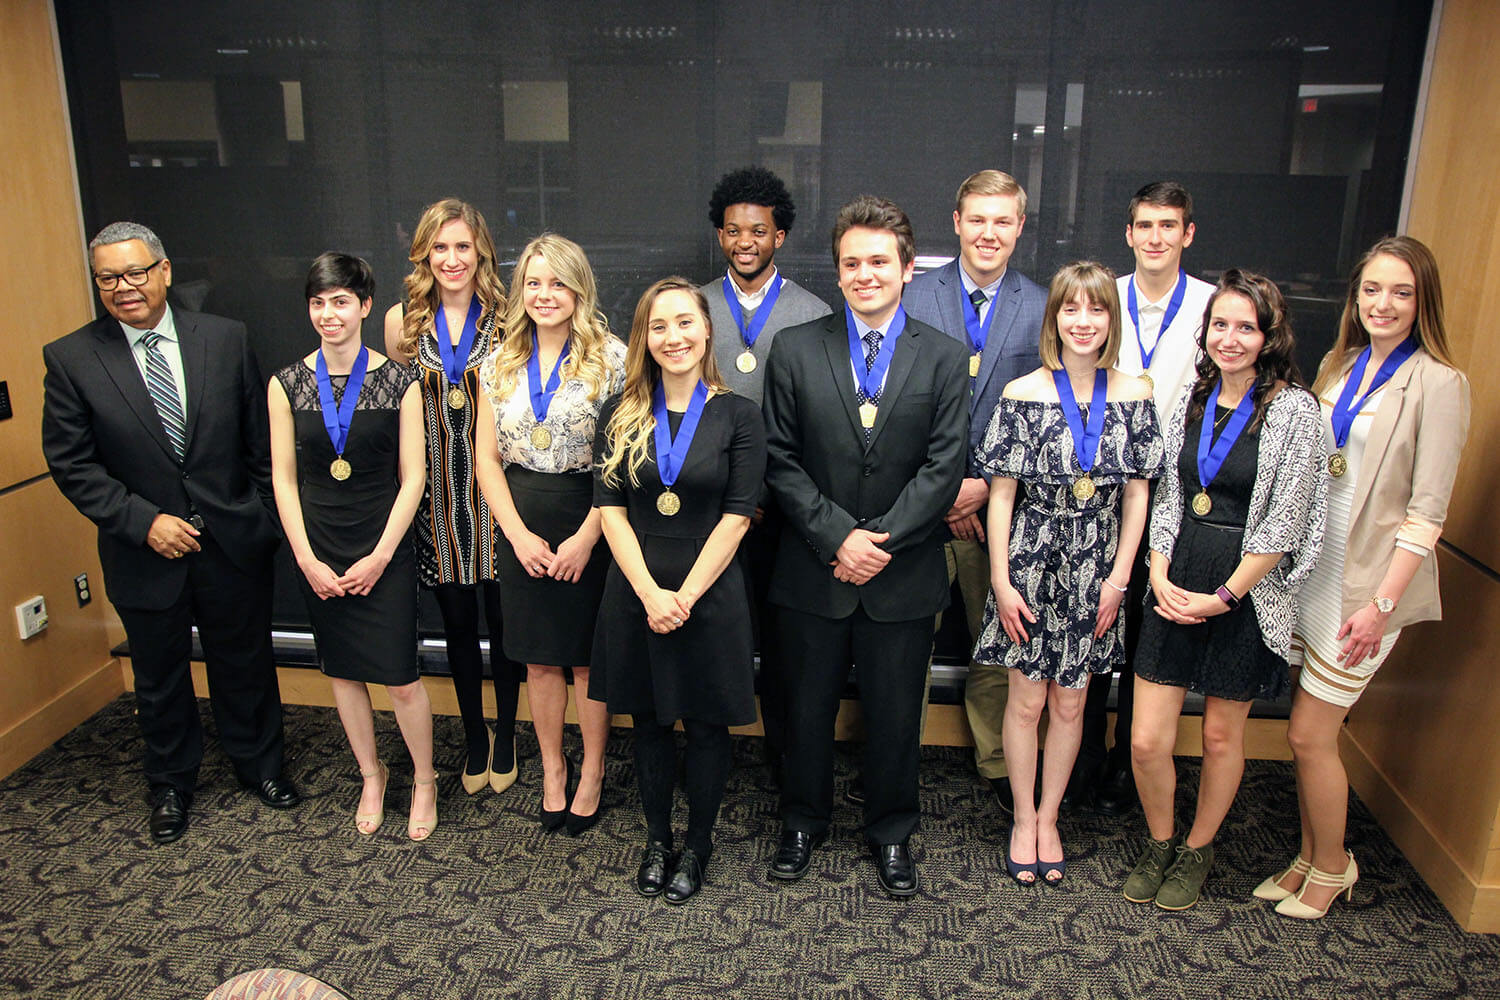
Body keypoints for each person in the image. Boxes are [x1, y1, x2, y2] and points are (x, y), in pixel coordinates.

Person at [42, 222, 300, 846]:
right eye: (108, 278)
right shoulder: (72, 358)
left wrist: (261, 519)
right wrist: (142, 522)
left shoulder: (226, 338)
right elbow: (72, 463)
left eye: (135, 273)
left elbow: (258, 445)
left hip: (232, 542)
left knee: (245, 662)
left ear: (163, 271)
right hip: (144, 551)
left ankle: (259, 765)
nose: (124, 288)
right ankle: (170, 783)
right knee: (158, 676)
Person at [762, 195, 969, 897]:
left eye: (879, 261)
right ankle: (801, 821)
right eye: (852, 263)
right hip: (814, 571)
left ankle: (890, 833)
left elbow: (944, 467)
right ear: (839, 270)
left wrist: (876, 541)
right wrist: (836, 537)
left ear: (908, 269)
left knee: (893, 717)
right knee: (805, 711)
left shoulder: (944, 358)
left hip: (901, 574)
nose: (865, 274)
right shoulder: (796, 348)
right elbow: (780, 458)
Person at [1257, 236, 1469, 919]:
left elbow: (1425, 514)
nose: (1383, 303)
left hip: (1370, 588)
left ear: (1421, 302)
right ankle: (1310, 852)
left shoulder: (1439, 383)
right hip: (1317, 574)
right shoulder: (1340, 363)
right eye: (1372, 289)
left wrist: (1381, 606)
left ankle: (1332, 865)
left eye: (1401, 292)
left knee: (1309, 735)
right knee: (1304, 728)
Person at [1124, 269, 1327, 910]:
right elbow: (1170, 494)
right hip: (1176, 575)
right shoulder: (1194, 392)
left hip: (1241, 589)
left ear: (1269, 336)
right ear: (1205, 331)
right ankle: (1161, 841)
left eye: (1246, 327)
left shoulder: (1294, 410)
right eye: (1220, 325)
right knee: (1146, 739)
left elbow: (1285, 518)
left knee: (1218, 737)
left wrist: (1225, 597)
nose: (1230, 338)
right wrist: (1157, 571)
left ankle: (1199, 847)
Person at [974, 262, 1160, 884]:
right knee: (1026, 701)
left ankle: (1052, 815)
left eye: (1097, 310)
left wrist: (1119, 579)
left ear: (1111, 319)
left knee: (1073, 702)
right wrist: (1001, 580)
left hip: (1100, 564)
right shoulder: (1023, 393)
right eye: (1071, 310)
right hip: (1031, 558)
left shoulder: (1135, 395)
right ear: (1053, 318)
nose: (1084, 322)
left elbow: (1138, 495)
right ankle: (1023, 817)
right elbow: (1001, 496)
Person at [591, 278, 766, 903]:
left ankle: (698, 844)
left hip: (709, 591)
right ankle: (657, 838)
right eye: (659, 326)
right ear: (644, 337)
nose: (674, 338)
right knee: (651, 722)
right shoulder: (620, 412)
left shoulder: (740, 414)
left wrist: (683, 597)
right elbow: (610, 511)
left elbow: (738, 516)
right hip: (636, 589)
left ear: (707, 329)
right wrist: (650, 594)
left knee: (709, 725)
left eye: (685, 323)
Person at [269, 254, 435, 840]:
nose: (328, 314)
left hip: (382, 543)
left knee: (399, 676)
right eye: (318, 302)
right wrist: (306, 558)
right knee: (342, 673)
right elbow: (284, 480)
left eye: (340, 301)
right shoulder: (286, 384)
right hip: (319, 546)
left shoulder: (399, 381)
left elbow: (413, 477)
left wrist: (382, 555)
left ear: (365, 306)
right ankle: (371, 772)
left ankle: (422, 779)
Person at [1070, 180, 1216, 815]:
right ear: (1129, 235)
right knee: (1096, 621)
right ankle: (1084, 760)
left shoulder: (1214, 306)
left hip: (1181, 486)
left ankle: (1132, 764)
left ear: (1188, 234)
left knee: (1148, 634)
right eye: (1145, 226)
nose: (1156, 238)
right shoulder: (1104, 298)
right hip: (1101, 483)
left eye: (1169, 226)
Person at [904, 169, 1047, 815]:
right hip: (915, 509)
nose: (989, 233)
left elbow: (1047, 415)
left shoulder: (1044, 307)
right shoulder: (911, 297)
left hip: (1001, 513)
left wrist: (984, 487)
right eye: (977, 219)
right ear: (957, 222)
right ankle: (894, 753)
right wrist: (943, 492)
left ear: (1019, 228)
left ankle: (997, 763)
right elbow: (892, 405)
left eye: (1003, 221)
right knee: (903, 641)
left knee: (996, 647)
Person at [474, 234, 626, 835]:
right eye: (533, 283)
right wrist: (515, 535)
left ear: (578, 288)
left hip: (591, 513)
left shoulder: (612, 358)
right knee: (539, 662)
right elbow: (485, 458)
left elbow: (622, 458)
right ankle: (553, 771)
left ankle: (591, 771)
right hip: (522, 519)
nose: (545, 295)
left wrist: (588, 538)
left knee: (588, 663)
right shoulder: (497, 362)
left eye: (557, 282)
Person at [384, 198, 523, 798]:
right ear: (423, 255)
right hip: (436, 496)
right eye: (439, 248)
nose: (451, 259)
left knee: (507, 622)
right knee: (458, 624)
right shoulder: (401, 322)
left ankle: (508, 732)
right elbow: (400, 407)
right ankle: (472, 734)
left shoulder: (510, 315)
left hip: (499, 491)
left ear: (482, 251)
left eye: (462, 246)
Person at [699, 166, 832, 785]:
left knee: (786, 644)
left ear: (780, 236)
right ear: (719, 236)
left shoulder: (816, 313)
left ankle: (785, 759)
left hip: (785, 510)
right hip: (709, 506)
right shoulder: (692, 307)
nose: (744, 241)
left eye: (758, 230)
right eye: (732, 231)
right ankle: (710, 756)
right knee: (714, 634)